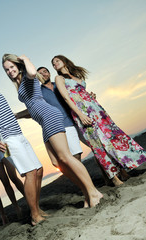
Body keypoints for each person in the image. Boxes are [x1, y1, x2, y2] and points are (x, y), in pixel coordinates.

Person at [2, 54, 103, 208]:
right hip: (43, 122)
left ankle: (93, 192)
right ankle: (86, 192)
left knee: (67, 157)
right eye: (6, 70)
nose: (10, 71)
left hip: (50, 116)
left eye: (12, 67)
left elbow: (31, 72)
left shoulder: (27, 78)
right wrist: (16, 116)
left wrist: (25, 59)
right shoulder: (20, 85)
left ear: (18, 66)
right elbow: (31, 109)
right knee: (57, 162)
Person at [52, 54, 146, 185]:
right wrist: (80, 115)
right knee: (97, 144)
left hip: (97, 110)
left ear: (64, 61)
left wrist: (90, 95)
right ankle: (114, 178)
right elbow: (67, 98)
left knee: (111, 137)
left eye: (57, 60)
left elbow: (80, 93)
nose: (55, 63)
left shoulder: (76, 77)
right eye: (53, 63)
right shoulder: (59, 78)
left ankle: (125, 167)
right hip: (83, 113)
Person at [0, 64, 45, 225]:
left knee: (38, 170)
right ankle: (34, 215)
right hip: (7, 139)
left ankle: (37, 208)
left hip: (19, 135)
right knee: (29, 172)